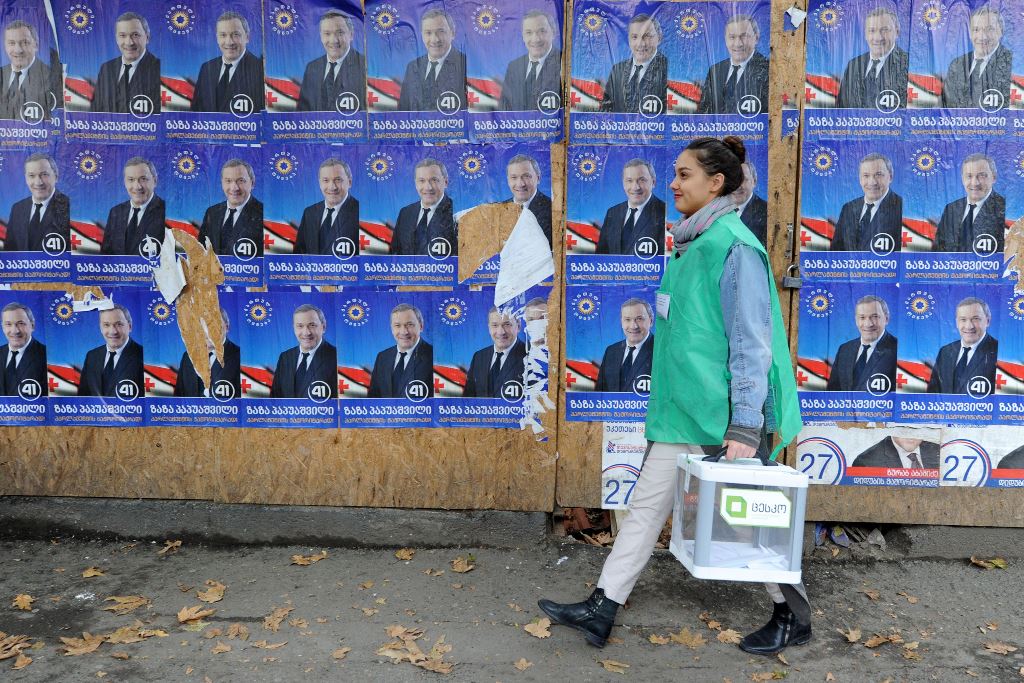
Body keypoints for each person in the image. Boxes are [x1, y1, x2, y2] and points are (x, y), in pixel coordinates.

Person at [538, 136, 805, 656]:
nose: (673, 184)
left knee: (747, 520)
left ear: (716, 184)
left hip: (722, 415)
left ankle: (792, 615)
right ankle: (602, 607)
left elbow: (752, 344)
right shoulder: (691, 242)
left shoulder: (734, 247)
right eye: (675, 174)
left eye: (684, 175)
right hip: (685, 410)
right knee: (643, 510)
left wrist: (746, 425)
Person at [191, 11, 264, 113]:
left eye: (235, 34)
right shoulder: (206, 68)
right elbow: (195, 111)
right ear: (217, 38)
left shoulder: (260, 70)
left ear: (247, 37)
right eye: (223, 35)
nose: (229, 42)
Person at [836, 6, 908, 109]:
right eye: (872, 31)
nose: (878, 37)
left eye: (884, 30)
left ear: (897, 32)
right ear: (865, 34)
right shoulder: (853, 65)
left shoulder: (907, 64)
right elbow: (841, 107)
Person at [942, 4, 1012, 109]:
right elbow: (946, 107)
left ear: (1000, 31)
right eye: (976, 30)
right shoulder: (956, 65)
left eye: (989, 29)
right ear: (970, 33)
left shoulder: (1011, 63)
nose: (982, 36)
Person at [697, 14, 769, 115]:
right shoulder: (715, 70)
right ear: (725, 40)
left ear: (756, 38)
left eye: (744, 36)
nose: (738, 43)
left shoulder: (768, 70)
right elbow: (702, 112)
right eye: (732, 37)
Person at [397, 8, 466, 112]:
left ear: (452, 33)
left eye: (441, 31)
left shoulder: (464, 64)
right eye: (428, 33)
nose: (435, 39)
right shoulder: (412, 67)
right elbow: (403, 111)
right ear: (422, 35)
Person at [831, 152, 902, 252]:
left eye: (878, 174)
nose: (872, 182)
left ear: (890, 177)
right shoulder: (848, 208)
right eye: (866, 175)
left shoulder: (901, 207)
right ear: (860, 179)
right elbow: (835, 251)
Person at [934, 153, 1005, 253]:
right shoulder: (951, 209)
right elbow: (937, 250)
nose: (974, 183)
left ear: (994, 177)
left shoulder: (1004, 208)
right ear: (962, 179)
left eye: (982, 176)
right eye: (969, 176)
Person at [92, 12, 161, 114]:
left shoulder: (159, 68)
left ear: (147, 37)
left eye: (135, 35)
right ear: (116, 39)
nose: (129, 42)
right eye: (122, 35)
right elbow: (96, 109)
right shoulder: (106, 68)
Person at [926, 297, 998, 395]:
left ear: (988, 321)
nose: (969, 326)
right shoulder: (945, 352)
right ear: (957, 322)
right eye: (963, 319)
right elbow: (932, 393)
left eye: (975, 319)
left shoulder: (998, 351)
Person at [297, 10, 366, 112]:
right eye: (327, 33)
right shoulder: (312, 68)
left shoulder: (364, 65)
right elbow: (302, 112)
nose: (333, 40)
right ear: (321, 36)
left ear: (351, 35)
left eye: (340, 33)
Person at [826, 295, 897, 392]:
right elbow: (833, 391)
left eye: (875, 317)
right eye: (862, 317)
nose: (868, 324)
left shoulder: (897, 349)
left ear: (886, 319)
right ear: (856, 320)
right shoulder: (844, 349)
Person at [596, 159, 666, 256]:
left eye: (642, 180)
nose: (635, 187)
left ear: (653, 182)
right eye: (629, 181)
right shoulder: (612, 213)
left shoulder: (664, 212)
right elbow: (601, 256)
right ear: (623, 183)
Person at [600, 14, 667, 114]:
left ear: (659, 38)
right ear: (629, 39)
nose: (641, 43)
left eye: (647, 36)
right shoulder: (617, 70)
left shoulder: (669, 69)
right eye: (634, 37)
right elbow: (607, 108)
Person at [5, 153, 70, 252]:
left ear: (56, 177)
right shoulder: (17, 208)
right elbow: (9, 251)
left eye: (44, 174)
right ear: (26, 178)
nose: (38, 182)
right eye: (31, 175)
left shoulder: (69, 206)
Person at [197, 159, 263, 256]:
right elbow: (201, 251)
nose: (234, 188)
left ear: (252, 183)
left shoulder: (263, 213)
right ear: (222, 183)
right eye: (228, 181)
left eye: (241, 181)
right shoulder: (212, 212)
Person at [270, 304, 338, 399]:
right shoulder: (285, 357)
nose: (306, 332)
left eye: (312, 325)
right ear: (294, 328)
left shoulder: (337, 357)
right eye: (300, 326)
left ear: (324, 327)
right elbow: (275, 398)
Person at [391, 158, 457, 256]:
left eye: (434, 180)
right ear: (415, 183)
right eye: (421, 181)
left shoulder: (456, 213)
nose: (428, 187)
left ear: (446, 182)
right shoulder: (405, 213)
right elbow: (394, 254)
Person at [101, 157, 165, 256]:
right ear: (125, 182)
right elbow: (105, 255)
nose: (137, 186)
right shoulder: (115, 212)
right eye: (131, 180)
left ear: (155, 181)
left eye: (143, 179)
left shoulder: (165, 210)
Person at [294, 158, 359, 255]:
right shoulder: (309, 213)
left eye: (338, 180)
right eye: (326, 180)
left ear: (349, 182)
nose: (332, 187)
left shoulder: (360, 211)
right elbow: (299, 253)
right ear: (320, 183)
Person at [499, 10, 561, 111]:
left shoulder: (563, 62)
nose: (536, 39)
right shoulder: (514, 66)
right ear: (523, 36)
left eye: (542, 31)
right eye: (529, 32)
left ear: (553, 33)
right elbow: (504, 107)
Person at [368, 303, 434, 398]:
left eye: (410, 325)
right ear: (392, 328)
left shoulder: (434, 356)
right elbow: (373, 398)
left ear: (421, 326)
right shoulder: (382, 357)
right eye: (397, 325)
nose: (404, 332)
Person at [78, 304, 143, 397]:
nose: (113, 331)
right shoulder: (92, 356)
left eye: (119, 324)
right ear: (101, 328)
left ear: (130, 326)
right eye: (106, 325)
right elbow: (83, 397)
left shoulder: (143, 355)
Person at [174, 307, 240, 398]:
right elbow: (179, 398)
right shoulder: (188, 357)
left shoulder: (238, 356)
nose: (208, 332)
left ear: (227, 327)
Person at [464, 307, 527, 398]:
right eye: (495, 325)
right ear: (489, 327)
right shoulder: (479, 357)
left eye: (507, 324)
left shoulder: (531, 357)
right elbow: (468, 399)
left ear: (518, 326)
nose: (501, 332)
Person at [594, 298, 654, 393]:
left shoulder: (661, 350)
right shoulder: (611, 351)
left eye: (639, 319)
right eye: (627, 319)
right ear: (621, 322)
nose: (633, 326)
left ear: (651, 321)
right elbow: (599, 394)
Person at [0, 20, 53, 121]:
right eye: (11, 43)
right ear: (5, 46)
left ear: (36, 45)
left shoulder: (51, 77)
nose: (18, 50)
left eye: (24, 42)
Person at [503, 154, 552, 247]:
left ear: (538, 178)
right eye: (514, 177)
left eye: (526, 176)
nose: (520, 184)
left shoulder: (552, 211)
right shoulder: (499, 210)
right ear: (508, 180)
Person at [0, 302, 46, 396]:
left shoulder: (47, 356)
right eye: (8, 324)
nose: (15, 331)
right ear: (3, 327)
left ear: (32, 326)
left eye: (21, 323)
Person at [732, 161, 767, 246]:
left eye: (743, 179)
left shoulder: (767, 212)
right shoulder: (717, 209)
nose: (737, 185)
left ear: (754, 182)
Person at [851, 436, 939, 468]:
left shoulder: (940, 451)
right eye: (903, 423)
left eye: (916, 424)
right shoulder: (866, 463)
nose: (910, 432)